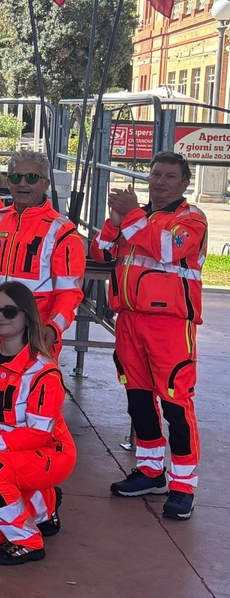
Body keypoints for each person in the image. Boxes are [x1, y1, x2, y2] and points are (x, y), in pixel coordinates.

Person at [95, 152, 204, 520]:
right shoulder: (137, 218)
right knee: (138, 401)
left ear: (184, 182)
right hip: (129, 322)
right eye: (155, 174)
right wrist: (114, 221)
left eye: (170, 176)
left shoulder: (192, 218)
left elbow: (166, 248)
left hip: (170, 326)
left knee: (176, 403)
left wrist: (130, 217)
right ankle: (150, 470)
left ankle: (183, 485)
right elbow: (101, 249)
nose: (160, 182)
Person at [0, 281, 75, 565]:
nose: (0, 317)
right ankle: (44, 503)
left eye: (10, 311)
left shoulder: (44, 371)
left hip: (47, 453)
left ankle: (28, 542)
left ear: (27, 316)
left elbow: (37, 435)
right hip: (2, 455)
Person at [0, 151, 85, 352]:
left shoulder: (62, 231)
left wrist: (53, 328)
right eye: (16, 177)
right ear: (8, 182)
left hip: (34, 333)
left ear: (46, 184)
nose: (22, 183)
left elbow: (70, 292)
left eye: (31, 177)